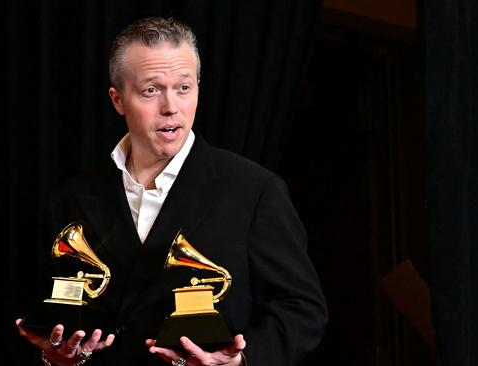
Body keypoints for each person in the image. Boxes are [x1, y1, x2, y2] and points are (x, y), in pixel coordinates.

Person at [17, 17, 327, 366]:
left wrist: (241, 361)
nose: (171, 107)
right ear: (118, 100)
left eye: (184, 88)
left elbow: (302, 310)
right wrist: (55, 356)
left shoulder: (256, 190)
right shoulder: (69, 198)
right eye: (151, 90)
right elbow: (49, 308)